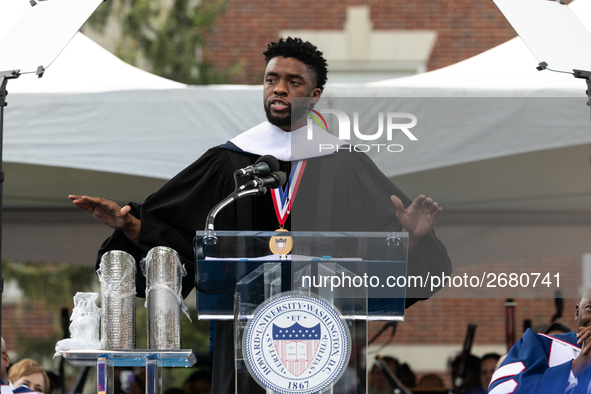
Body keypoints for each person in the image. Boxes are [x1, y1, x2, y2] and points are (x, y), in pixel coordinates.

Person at [70, 37, 452, 394]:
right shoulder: (228, 161)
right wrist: (131, 224)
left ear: (315, 95)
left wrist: (412, 237)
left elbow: (380, 252)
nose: (279, 89)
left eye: (293, 82)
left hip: (326, 337)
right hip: (241, 334)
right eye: (271, 79)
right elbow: (185, 237)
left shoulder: (345, 164)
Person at [489, 287, 591, 394]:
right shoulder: (539, 345)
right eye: (589, 308)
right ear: (577, 313)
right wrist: (579, 364)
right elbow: (501, 389)